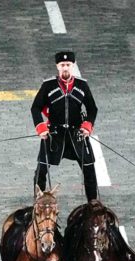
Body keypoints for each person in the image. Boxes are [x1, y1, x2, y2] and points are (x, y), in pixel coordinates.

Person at [30, 51, 98, 201]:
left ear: (73, 65)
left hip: (77, 135)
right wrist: (41, 128)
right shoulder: (48, 85)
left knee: (90, 169)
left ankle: (93, 203)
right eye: (62, 65)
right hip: (54, 135)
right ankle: (37, 202)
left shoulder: (82, 85)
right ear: (57, 66)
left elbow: (92, 108)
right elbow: (35, 107)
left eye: (68, 65)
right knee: (41, 169)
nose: (65, 68)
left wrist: (87, 126)